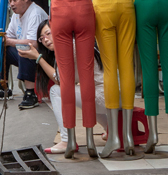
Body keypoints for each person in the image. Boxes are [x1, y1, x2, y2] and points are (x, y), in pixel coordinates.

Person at [19, 20, 106, 154]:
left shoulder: (70, 46)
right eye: (42, 39)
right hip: (107, 97)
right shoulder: (72, 43)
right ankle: (111, 130)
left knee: (56, 91)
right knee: (79, 94)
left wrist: (38, 57)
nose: (46, 40)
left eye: (48, 33)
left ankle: (67, 140)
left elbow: (60, 80)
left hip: (104, 96)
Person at [0, 0, 47, 109]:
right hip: (29, 54)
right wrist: (2, 39)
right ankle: (3, 87)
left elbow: (33, 43)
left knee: (24, 48)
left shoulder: (34, 13)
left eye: (15, 0)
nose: (12, 4)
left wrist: (10, 41)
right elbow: (10, 35)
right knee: (1, 47)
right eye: (10, 1)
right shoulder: (16, 15)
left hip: (43, 55)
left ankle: (30, 94)